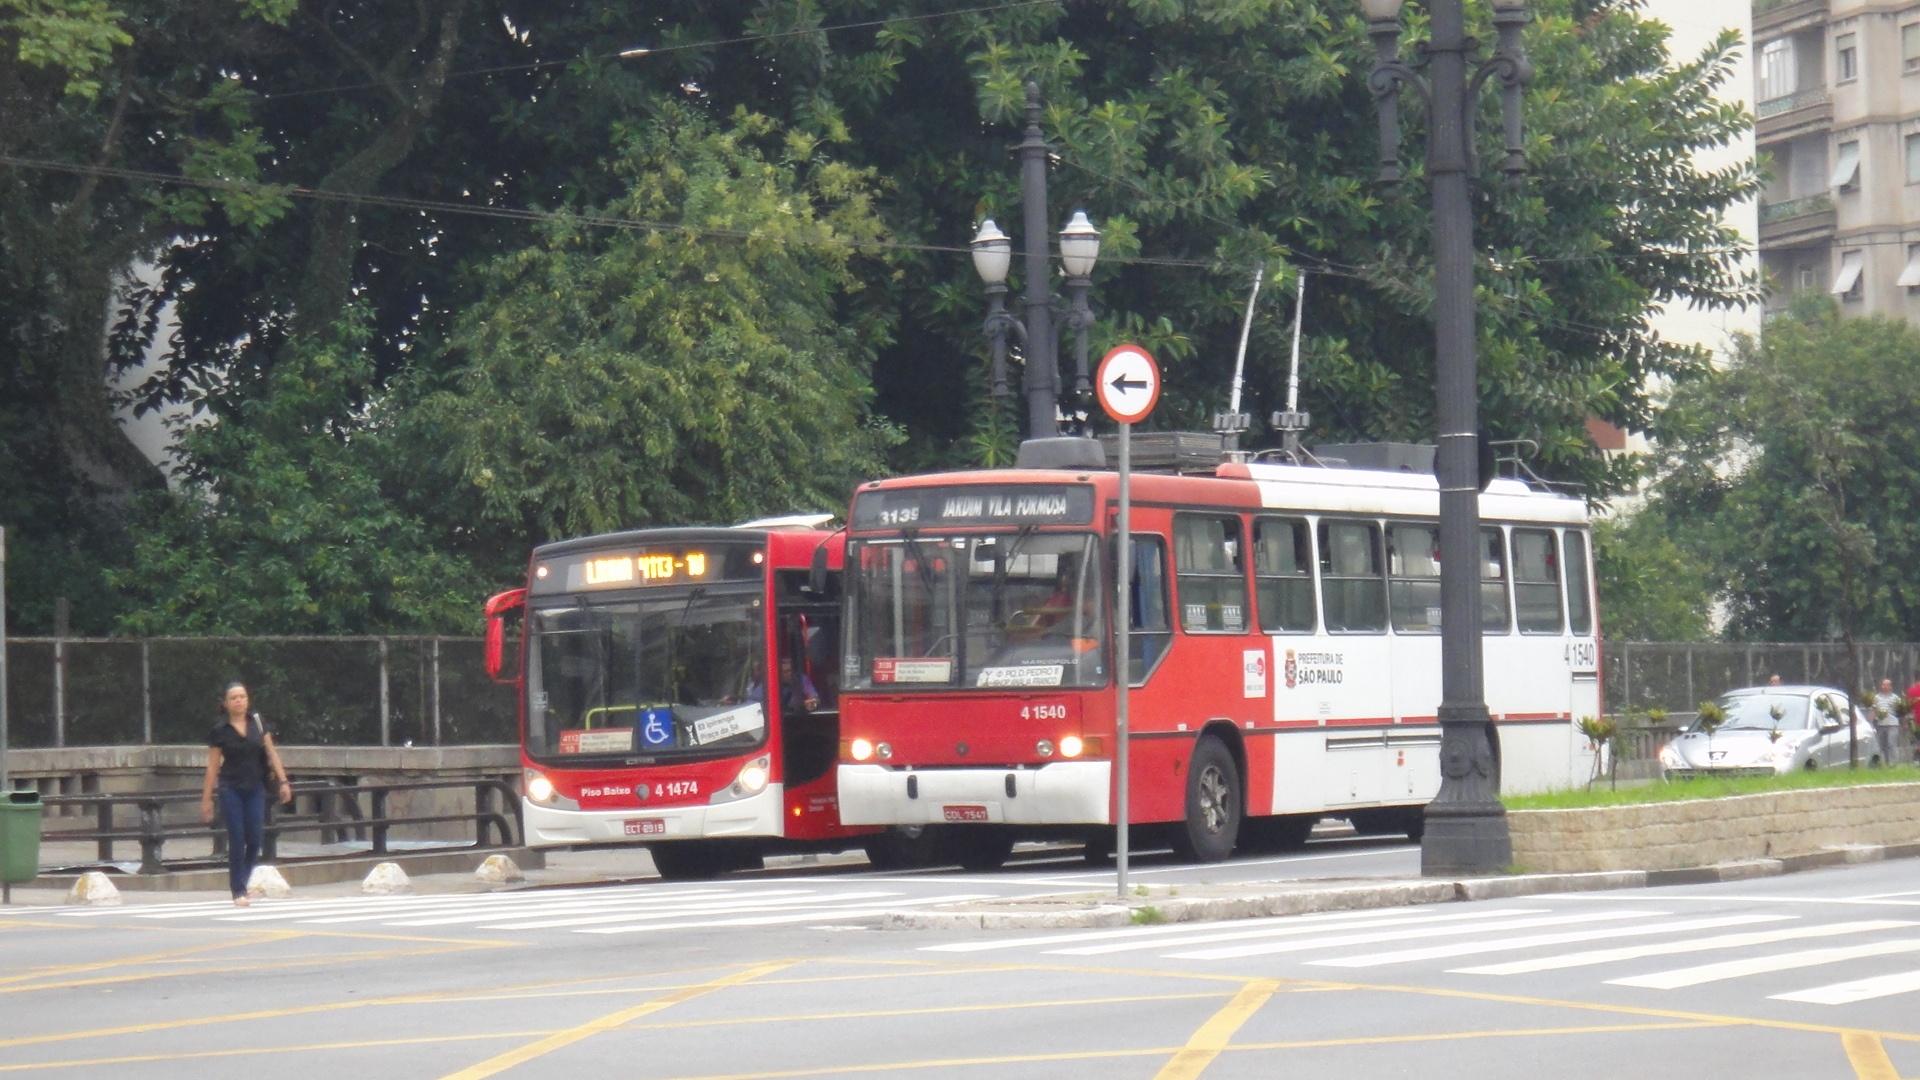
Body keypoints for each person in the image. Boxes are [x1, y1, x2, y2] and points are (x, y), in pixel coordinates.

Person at [199, 682, 294, 906]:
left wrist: (283, 782)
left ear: (247, 699)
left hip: (255, 787)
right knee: (237, 837)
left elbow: (271, 753)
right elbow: (213, 767)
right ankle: (238, 889)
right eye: (234, 698)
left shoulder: (258, 724)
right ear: (226, 703)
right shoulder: (220, 730)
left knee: (254, 839)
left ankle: (243, 880)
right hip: (230, 787)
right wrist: (206, 799)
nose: (239, 701)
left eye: (242, 696)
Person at [748, 656, 820, 716]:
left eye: (791, 670)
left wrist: (812, 703)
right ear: (778, 673)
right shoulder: (765, 687)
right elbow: (752, 709)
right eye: (786, 671)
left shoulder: (800, 679)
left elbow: (814, 698)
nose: (790, 674)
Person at [1873, 678, 1902, 766]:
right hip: (1881, 724)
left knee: (1891, 743)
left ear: (1890, 687)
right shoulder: (1877, 697)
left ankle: (1894, 763)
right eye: (1883, 685)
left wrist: (1903, 722)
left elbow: (1901, 710)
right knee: (1882, 745)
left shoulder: (1895, 698)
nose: (1885, 687)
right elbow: (1874, 710)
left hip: (1892, 724)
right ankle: (1886, 763)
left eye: (1887, 685)